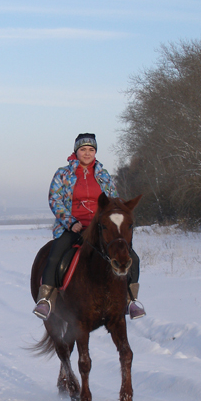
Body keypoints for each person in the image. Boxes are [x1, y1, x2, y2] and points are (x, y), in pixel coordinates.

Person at [32, 133, 145, 321]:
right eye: (83, 149)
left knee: (131, 257)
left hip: (101, 229)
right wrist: (70, 222)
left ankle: (130, 300)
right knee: (55, 255)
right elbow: (55, 200)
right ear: (76, 151)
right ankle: (46, 299)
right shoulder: (63, 174)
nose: (87, 153)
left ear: (95, 152)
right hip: (73, 227)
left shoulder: (103, 175)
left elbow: (114, 201)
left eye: (91, 150)